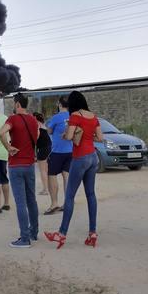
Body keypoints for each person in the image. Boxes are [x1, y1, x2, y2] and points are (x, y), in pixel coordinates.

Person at [44, 90, 102, 250]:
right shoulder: (93, 116)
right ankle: (93, 233)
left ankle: (61, 234)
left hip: (80, 157)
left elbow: (69, 137)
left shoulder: (75, 116)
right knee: (91, 194)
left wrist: (65, 135)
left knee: (69, 195)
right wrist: (87, 136)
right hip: (93, 156)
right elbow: (100, 137)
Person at [0, 93, 40, 248]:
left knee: (20, 203)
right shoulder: (33, 120)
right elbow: (36, 136)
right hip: (30, 164)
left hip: (16, 165)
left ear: (17, 104)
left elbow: (1, 132)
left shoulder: (13, 119)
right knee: (31, 200)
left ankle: (24, 239)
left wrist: (8, 147)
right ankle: (33, 232)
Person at [44, 96, 72, 215]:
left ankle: (54, 203)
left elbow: (49, 131)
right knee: (67, 177)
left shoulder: (56, 117)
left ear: (60, 104)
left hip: (57, 151)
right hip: (70, 151)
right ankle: (68, 203)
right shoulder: (72, 116)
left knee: (52, 176)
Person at [34, 112, 52, 195]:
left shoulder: (36, 124)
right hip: (49, 147)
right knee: (46, 169)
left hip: (42, 148)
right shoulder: (43, 125)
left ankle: (45, 189)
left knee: (42, 171)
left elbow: (36, 136)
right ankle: (48, 187)